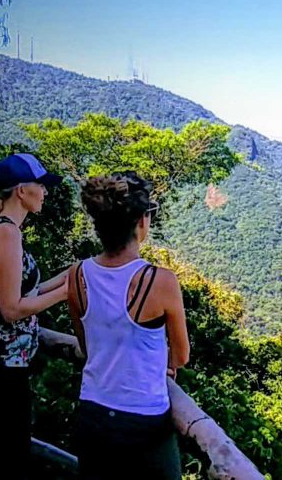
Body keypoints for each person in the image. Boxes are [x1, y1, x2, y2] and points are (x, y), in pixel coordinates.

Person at [67, 171, 190, 480]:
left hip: (92, 413)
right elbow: (181, 356)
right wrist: (166, 365)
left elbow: (86, 345)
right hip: (143, 421)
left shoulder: (78, 275)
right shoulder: (160, 281)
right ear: (141, 222)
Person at [0, 153, 68, 479]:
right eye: (41, 185)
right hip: (2, 362)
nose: (46, 192)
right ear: (22, 191)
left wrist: (71, 275)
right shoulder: (8, 234)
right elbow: (11, 309)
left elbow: (23, 292)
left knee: (2, 452)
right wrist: (65, 293)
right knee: (7, 458)